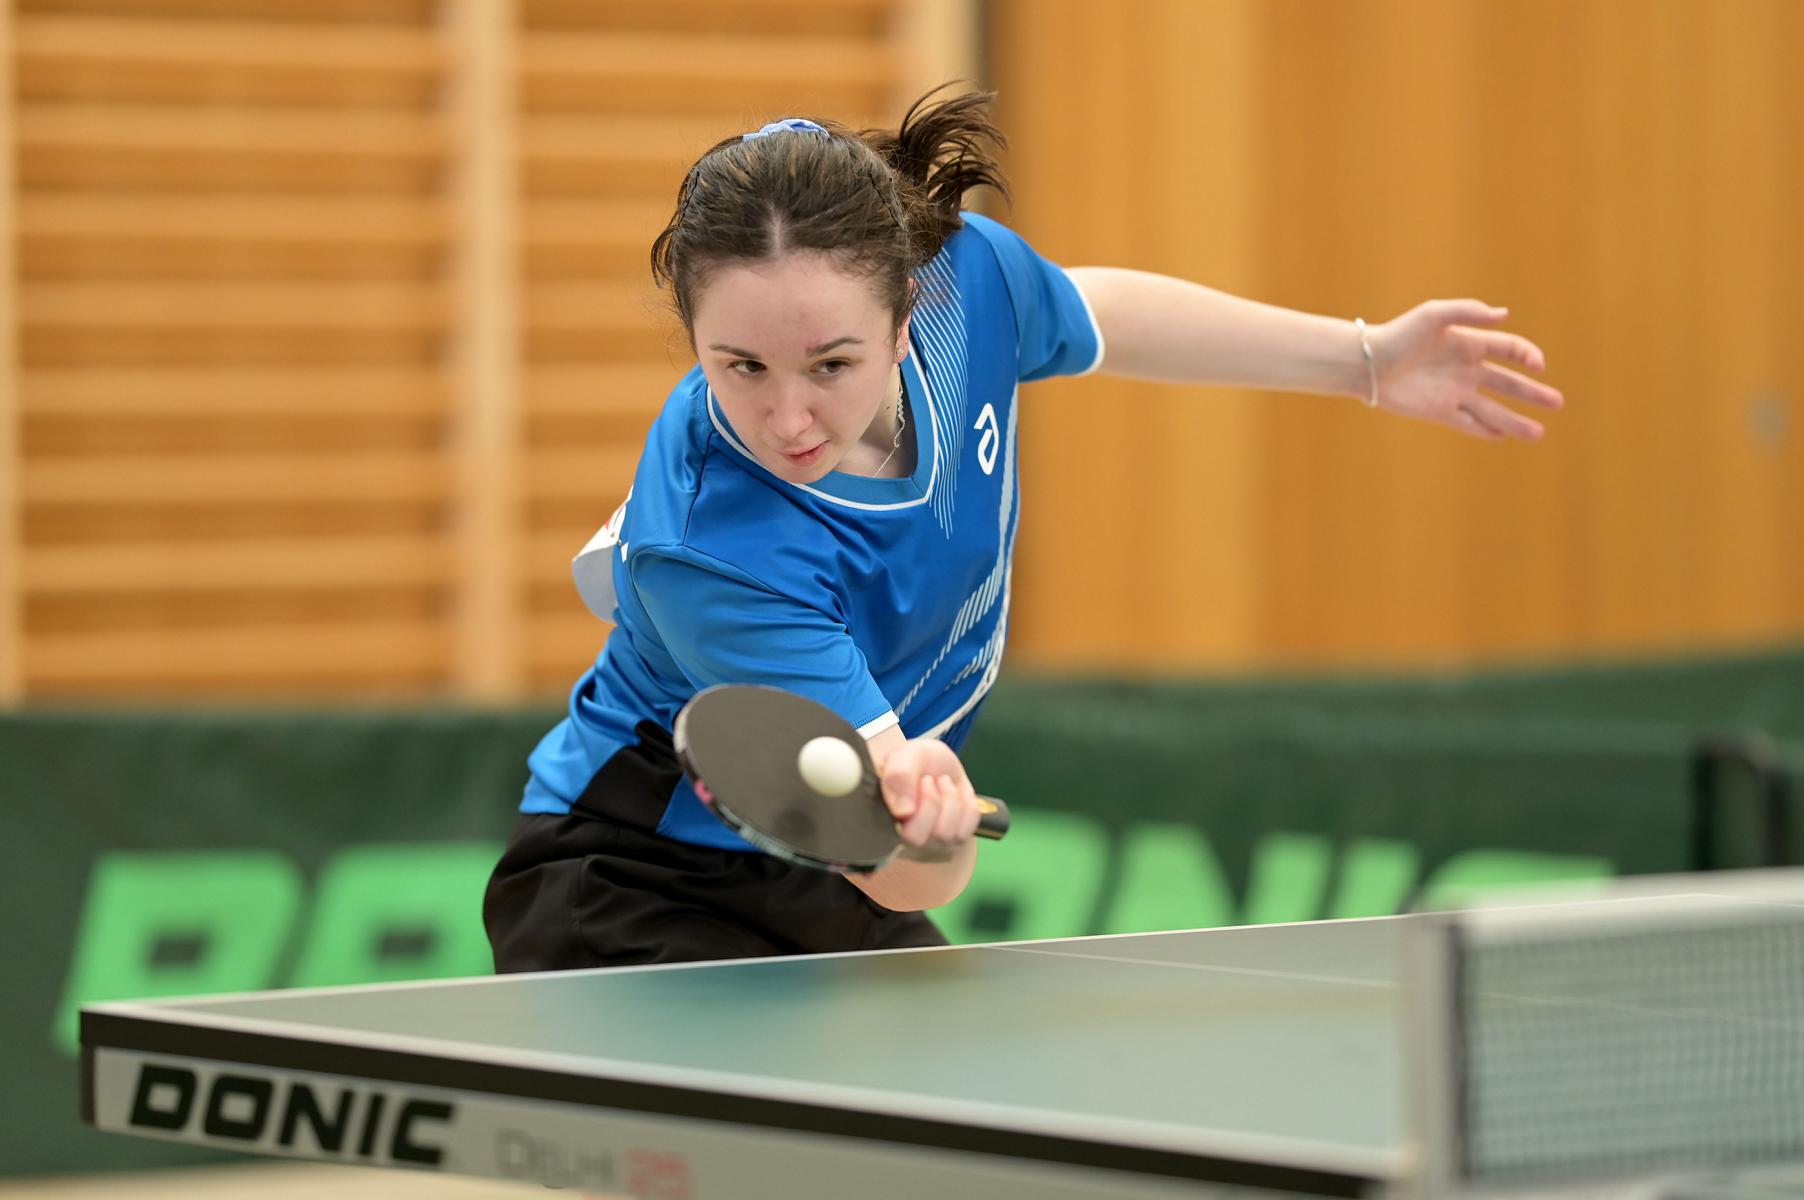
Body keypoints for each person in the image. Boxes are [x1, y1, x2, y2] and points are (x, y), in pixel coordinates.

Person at [482, 86, 1564, 973]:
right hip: (633, 882)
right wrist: (932, 829)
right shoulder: (713, 552)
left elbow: (1097, 315)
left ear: (907, 315)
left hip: (811, 869)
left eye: (830, 364)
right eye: (741, 367)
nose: (788, 417)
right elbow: (898, 875)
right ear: (693, 335)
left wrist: (1365, 362)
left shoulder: (970, 292)